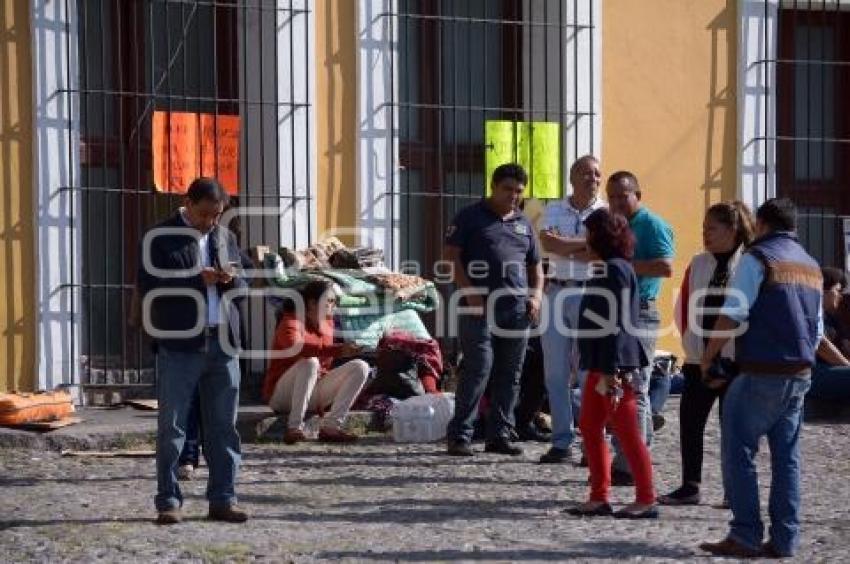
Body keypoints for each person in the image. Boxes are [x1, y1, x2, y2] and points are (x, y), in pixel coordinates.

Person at [699, 198, 822, 558]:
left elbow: (733, 313)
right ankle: (785, 539)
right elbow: (815, 331)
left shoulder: (758, 258)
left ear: (763, 224)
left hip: (760, 371)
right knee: (787, 458)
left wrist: (708, 357)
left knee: (739, 452)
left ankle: (745, 534)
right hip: (799, 372)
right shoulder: (811, 266)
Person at [137, 177, 248, 525]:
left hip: (223, 342)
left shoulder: (225, 237)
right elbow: (150, 285)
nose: (209, 221)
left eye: (216, 215)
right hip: (180, 343)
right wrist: (196, 279)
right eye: (204, 214)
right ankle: (168, 500)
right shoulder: (160, 236)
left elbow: (244, 284)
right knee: (173, 427)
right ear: (187, 202)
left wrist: (232, 280)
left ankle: (223, 499)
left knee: (224, 427)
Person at [658, 201, 755, 506]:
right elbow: (684, 305)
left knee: (734, 427)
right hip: (699, 359)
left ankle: (733, 490)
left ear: (733, 229)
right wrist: (693, 346)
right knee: (690, 422)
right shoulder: (699, 263)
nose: (705, 234)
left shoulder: (750, 263)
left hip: (736, 361)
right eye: (703, 228)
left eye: (712, 228)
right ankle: (690, 485)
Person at [444, 163, 544, 457]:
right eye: (508, 189)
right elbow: (450, 257)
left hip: (516, 311)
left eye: (519, 191)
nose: (513, 196)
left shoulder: (524, 224)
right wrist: (469, 292)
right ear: (493, 186)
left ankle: (499, 433)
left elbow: (536, 266)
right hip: (479, 309)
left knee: (511, 373)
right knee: (479, 369)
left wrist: (536, 297)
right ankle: (460, 434)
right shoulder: (469, 217)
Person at [566, 208, 656, 518]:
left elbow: (617, 322)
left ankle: (646, 499)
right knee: (590, 427)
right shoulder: (608, 268)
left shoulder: (616, 269)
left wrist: (611, 370)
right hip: (599, 365)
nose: (585, 241)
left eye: (589, 234)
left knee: (627, 433)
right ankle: (599, 495)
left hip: (612, 367)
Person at [605, 171, 674, 485]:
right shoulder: (613, 225)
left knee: (637, 386)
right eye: (613, 196)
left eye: (624, 195)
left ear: (638, 195)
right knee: (623, 385)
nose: (617, 201)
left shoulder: (652, 225)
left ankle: (632, 463)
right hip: (616, 310)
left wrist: (622, 267)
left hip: (641, 310)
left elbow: (665, 266)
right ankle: (631, 456)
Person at [536, 155, 606, 463]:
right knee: (555, 372)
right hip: (556, 291)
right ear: (573, 177)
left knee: (590, 373)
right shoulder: (552, 208)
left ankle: (594, 443)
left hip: (591, 294)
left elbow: (601, 254)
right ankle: (561, 441)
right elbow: (547, 245)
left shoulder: (605, 212)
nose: (594, 179)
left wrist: (566, 244)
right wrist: (583, 245)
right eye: (588, 173)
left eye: (597, 174)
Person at [263, 280, 369, 444]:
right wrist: (338, 350)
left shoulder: (327, 323)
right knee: (310, 362)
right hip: (282, 396)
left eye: (335, 301)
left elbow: (325, 359)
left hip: (313, 391)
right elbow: (299, 348)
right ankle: (295, 427)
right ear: (312, 303)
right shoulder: (290, 322)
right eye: (329, 301)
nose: (333, 306)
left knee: (361, 366)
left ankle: (332, 427)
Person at [806, 267, 850, 404]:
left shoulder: (832, 318)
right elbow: (822, 346)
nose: (840, 295)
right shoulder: (811, 313)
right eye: (837, 290)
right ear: (823, 290)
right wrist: (847, 367)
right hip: (812, 374)